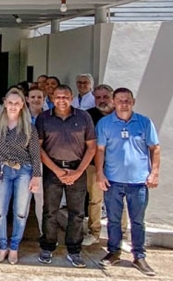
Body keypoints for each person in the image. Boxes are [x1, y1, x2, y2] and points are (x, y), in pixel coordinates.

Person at [96, 88, 161, 277]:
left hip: (138, 181)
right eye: (120, 100)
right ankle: (113, 251)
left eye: (127, 100)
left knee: (137, 221)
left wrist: (154, 173)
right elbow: (100, 150)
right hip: (113, 180)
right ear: (113, 102)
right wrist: (100, 173)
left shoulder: (144, 122)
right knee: (113, 219)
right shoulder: (105, 123)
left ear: (133, 101)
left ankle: (139, 256)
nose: (124, 103)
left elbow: (155, 148)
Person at [36, 85, 96, 267]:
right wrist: (56, 170)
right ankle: (47, 247)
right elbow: (38, 147)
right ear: (52, 98)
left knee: (77, 213)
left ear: (71, 98)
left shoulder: (84, 117)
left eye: (65, 97)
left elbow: (91, 147)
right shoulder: (44, 118)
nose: (61, 100)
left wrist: (77, 172)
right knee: (49, 211)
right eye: (58, 97)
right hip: (52, 170)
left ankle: (74, 250)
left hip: (77, 169)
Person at [0, 88, 42, 264]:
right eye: (10, 102)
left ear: (22, 105)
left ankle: (14, 247)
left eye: (17, 103)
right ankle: (2, 246)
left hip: (24, 171)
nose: (13, 106)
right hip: (2, 170)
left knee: (20, 212)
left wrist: (36, 176)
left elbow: (35, 154)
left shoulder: (29, 127)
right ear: (4, 103)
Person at [84, 83, 128, 248]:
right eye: (98, 97)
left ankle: (121, 236)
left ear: (112, 98)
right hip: (94, 165)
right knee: (95, 200)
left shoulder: (122, 115)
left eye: (105, 97)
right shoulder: (87, 116)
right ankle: (94, 233)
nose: (102, 100)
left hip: (117, 166)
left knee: (118, 201)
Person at [27, 87, 46, 237]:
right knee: (22, 201)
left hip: (43, 161)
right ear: (27, 99)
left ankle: (43, 232)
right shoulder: (20, 116)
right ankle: (17, 235)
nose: (36, 100)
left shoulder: (49, 117)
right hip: (24, 161)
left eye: (39, 97)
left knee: (41, 199)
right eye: (32, 97)